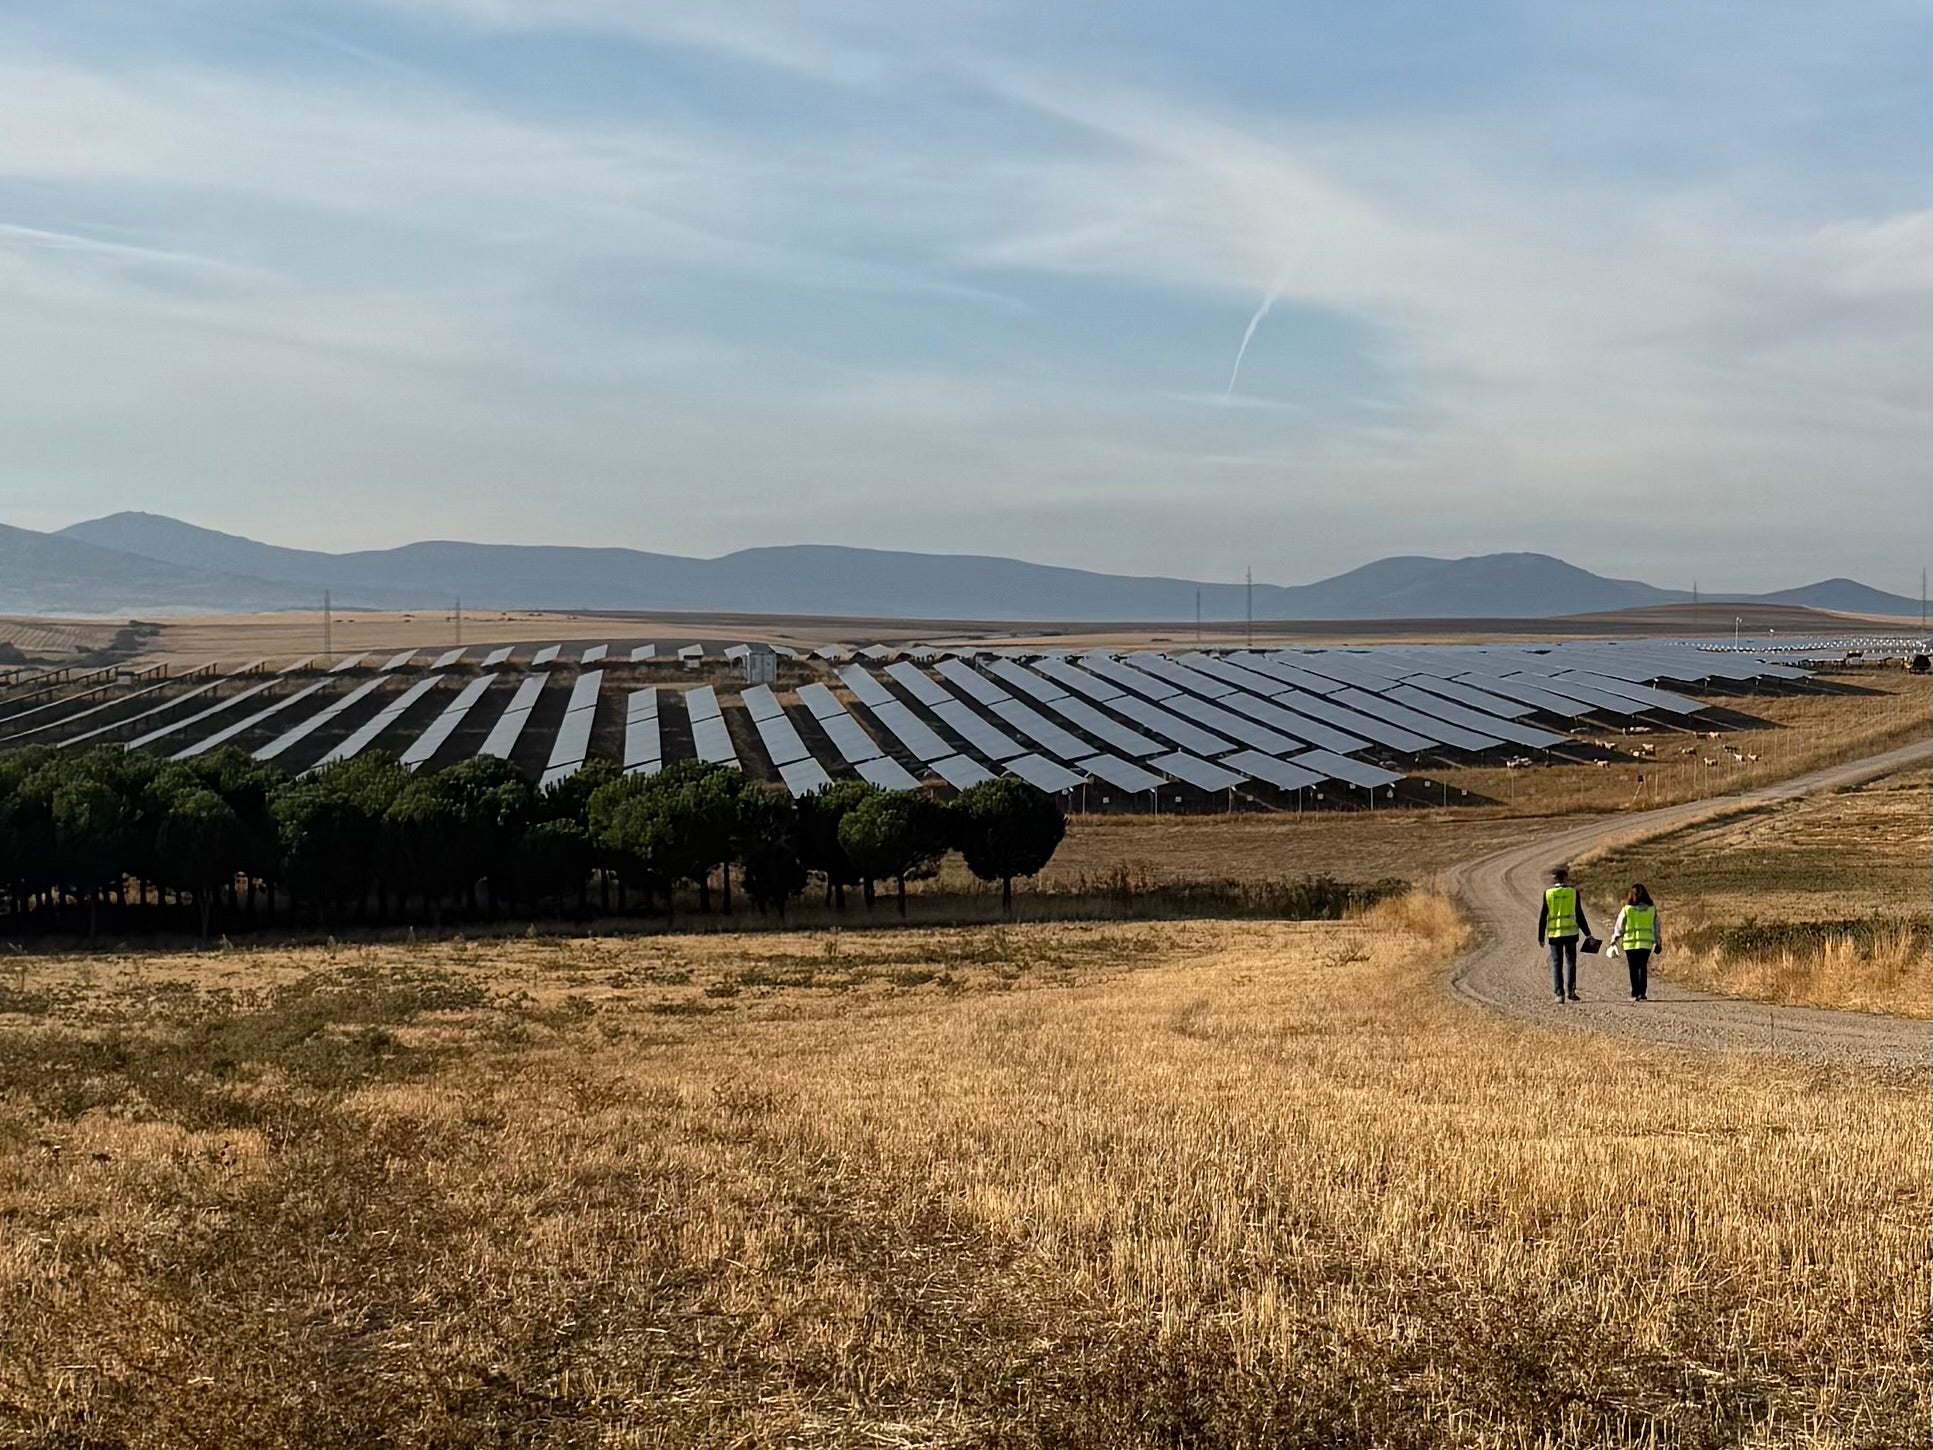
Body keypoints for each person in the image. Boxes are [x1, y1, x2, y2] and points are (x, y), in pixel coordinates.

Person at [1536, 864, 1592, 1003]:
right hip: (1571, 933)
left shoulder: (1548, 894)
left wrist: (1540, 936)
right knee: (1571, 962)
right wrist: (1588, 934)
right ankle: (1571, 992)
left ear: (1554, 879)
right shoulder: (1573, 893)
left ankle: (1559, 994)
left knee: (1557, 964)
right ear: (1566, 878)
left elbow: (1543, 916)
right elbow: (1579, 914)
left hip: (1554, 935)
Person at [1609, 884, 1662, 1001]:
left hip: (1630, 943)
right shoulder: (1651, 910)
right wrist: (1658, 942)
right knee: (1643, 968)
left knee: (1633, 969)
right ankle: (1642, 993)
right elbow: (1656, 927)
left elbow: (1619, 926)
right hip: (1646, 943)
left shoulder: (1627, 910)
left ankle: (1634, 993)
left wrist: (1614, 939)